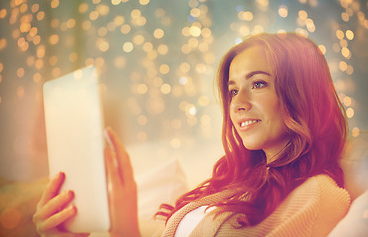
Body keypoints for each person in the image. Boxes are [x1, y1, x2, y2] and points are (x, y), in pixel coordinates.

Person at [33, 32, 351, 237]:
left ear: (302, 94)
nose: (238, 104)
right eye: (232, 90)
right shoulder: (237, 182)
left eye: (258, 84)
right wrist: (117, 214)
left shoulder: (318, 195)